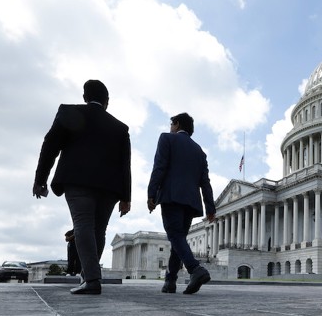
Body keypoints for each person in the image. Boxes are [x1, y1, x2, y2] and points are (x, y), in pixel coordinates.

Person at [33, 79, 131, 295]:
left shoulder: (69, 112)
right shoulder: (120, 127)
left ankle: (92, 279)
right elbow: (126, 165)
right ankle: (89, 275)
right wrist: (126, 197)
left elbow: (50, 146)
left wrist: (40, 178)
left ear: (85, 97)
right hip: (110, 186)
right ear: (107, 101)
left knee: (83, 225)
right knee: (99, 230)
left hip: (78, 180)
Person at [147, 112, 216, 295]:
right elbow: (205, 182)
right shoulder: (200, 152)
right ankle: (170, 281)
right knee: (178, 240)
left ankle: (195, 269)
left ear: (176, 124)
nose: (170, 127)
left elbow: (159, 167)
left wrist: (151, 193)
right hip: (191, 202)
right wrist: (210, 207)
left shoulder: (167, 139)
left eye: (172, 124)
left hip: (171, 196)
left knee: (175, 236)